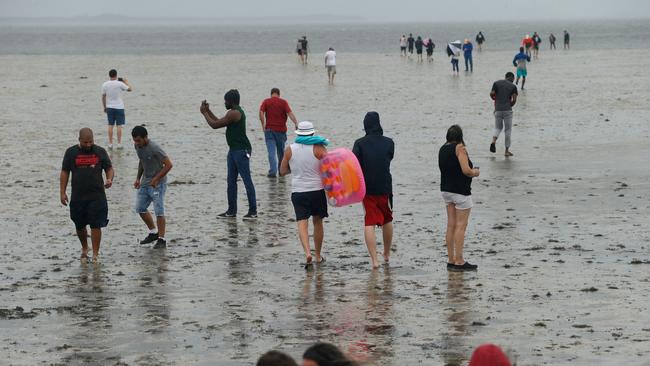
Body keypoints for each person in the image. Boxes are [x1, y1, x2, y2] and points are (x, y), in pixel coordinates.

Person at [200, 89, 257, 219]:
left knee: (247, 180)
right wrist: (208, 111)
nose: (224, 103)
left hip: (242, 150)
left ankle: (253, 211)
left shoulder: (235, 113)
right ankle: (231, 211)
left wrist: (204, 113)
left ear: (231, 101)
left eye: (225, 101)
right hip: (233, 150)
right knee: (231, 181)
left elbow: (214, 125)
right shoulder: (232, 113)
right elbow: (219, 121)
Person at [60, 128, 113, 263]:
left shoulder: (100, 151)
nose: (88, 145)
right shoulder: (71, 152)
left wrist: (109, 179)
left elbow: (109, 168)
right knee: (79, 224)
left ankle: (95, 253)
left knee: (96, 224)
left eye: (90, 142)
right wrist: (62, 192)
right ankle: (85, 248)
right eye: (85, 142)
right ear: (79, 140)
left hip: (97, 196)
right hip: (78, 196)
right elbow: (65, 172)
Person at [279, 121, 328, 268]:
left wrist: (294, 169)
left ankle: (308, 253)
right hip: (316, 190)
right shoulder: (320, 148)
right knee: (317, 222)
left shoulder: (290, 149)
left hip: (299, 192)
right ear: (312, 133)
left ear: (298, 134)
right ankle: (318, 256)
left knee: (302, 223)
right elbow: (329, 170)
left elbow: (282, 171)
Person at [352, 112, 394, 269]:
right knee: (387, 218)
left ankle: (375, 261)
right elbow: (388, 158)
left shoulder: (359, 143)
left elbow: (353, 163)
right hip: (385, 186)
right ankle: (387, 254)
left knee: (369, 220)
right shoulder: (389, 142)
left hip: (366, 187)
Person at [438, 125, 480, 271]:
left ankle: (451, 260)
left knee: (451, 225)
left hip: (446, 191)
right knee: (461, 226)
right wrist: (476, 172)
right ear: (460, 137)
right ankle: (459, 260)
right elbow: (466, 170)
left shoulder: (442, 149)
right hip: (460, 191)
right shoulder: (460, 148)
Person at [132, 126, 173, 249]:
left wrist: (156, 179)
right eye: (134, 140)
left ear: (145, 137)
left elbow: (169, 165)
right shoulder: (137, 146)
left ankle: (162, 239)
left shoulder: (155, 148)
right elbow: (142, 161)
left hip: (158, 184)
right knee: (140, 208)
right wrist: (138, 178)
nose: (136, 143)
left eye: (139, 140)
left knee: (159, 210)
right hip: (145, 182)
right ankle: (153, 232)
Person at [259, 88, 298, 178]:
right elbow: (290, 113)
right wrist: (296, 123)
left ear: (271, 94)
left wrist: (263, 125)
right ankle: (281, 172)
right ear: (279, 94)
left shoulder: (266, 101)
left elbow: (261, 112)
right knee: (281, 153)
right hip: (281, 131)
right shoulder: (283, 102)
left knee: (271, 152)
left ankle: (272, 172)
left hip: (269, 131)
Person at [101, 69, 132, 149]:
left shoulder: (105, 84)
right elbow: (130, 89)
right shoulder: (120, 84)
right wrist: (125, 81)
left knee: (110, 125)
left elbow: (103, 97)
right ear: (116, 75)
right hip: (119, 107)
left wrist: (104, 107)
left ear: (109, 75)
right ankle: (119, 143)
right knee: (119, 125)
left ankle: (110, 143)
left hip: (109, 107)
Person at [489, 72, 518, 157]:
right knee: (508, 130)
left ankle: (493, 141)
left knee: (498, 128)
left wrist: (495, 100)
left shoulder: (496, 83)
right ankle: (506, 151)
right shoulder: (513, 86)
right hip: (507, 110)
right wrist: (510, 105)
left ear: (505, 77)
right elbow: (514, 99)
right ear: (512, 78)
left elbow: (491, 94)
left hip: (497, 109)